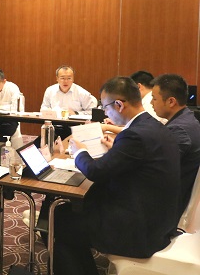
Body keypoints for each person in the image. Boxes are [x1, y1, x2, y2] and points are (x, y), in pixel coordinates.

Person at [53, 76, 180, 275]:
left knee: (59, 221)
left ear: (119, 105)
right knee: (65, 213)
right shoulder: (152, 126)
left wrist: (80, 151)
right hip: (158, 219)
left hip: (139, 229)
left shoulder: (135, 135)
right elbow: (138, 161)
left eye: (106, 107)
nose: (105, 113)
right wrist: (116, 149)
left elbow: (95, 172)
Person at [151, 73, 200, 219]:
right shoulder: (188, 119)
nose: (152, 103)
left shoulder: (179, 130)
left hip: (170, 206)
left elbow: (156, 170)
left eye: (154, 98)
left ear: (171, 101)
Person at [40, 65, 97, 140]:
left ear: (73, 79)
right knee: (39, 144)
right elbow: (44, 107)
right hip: (54, 126)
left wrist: (76, 113)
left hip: (75, 128)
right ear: (57, 78)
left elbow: (92, 112)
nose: (66, 81)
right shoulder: (50, 90)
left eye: (69, 78)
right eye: (62, 78)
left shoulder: (82, 93)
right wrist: (49, 112)